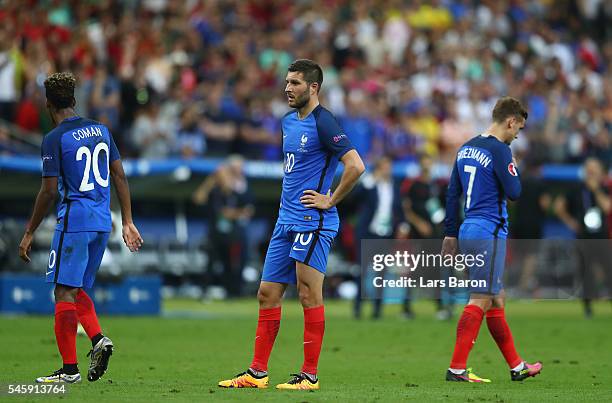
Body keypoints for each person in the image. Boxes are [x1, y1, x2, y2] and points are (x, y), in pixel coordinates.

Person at [218, 59, 365, 390]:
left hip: (313, 221)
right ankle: (257, 373)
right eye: (286, 82)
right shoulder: (287, 121)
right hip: (285, 219)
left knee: (308, 294)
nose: (287, 88)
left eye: (295, 83)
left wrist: (330, 199)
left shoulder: (324, 122)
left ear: (313, 88)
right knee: (266, 293)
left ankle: (309, 375)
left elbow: (355, 165)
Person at [18, 72, 143, 384]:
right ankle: (98, 340)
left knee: (62, 290)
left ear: (48, 103)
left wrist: (30, 231)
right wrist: (127, 221)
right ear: (74, 100)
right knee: (76, 289)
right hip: (103, 222)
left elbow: (48, 192)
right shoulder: (101, 130)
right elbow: (120, 176)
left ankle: (70, 369)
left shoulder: (54, 138)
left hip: (75, 221)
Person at [442, 96, 542, 383]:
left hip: (467, 229)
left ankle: (516, 366)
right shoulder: (500, 151)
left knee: (496, 298)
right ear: (510, 121)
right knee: (482, 297)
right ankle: (457, 368)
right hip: (490, 230)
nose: (516, 135)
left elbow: (452, 194)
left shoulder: (466, 148)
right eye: (518, 130)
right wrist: (512, 165)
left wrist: (450, 233)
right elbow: (514, 191)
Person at [553, 157, 611, 317]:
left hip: (601, 236)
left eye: (595, 169)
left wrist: (596, 190)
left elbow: (607, 207)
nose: (592, 172)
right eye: (589, 169)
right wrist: (571, 222)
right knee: (585, 272)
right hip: (583, 237)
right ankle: (587, 307)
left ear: (600, 171)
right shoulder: (576, 188)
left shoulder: (604, 188)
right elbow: (559, 206)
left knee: (608, 269)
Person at [353, 156, 404, 319]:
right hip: (368, 233)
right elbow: (355, 197)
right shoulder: (370, 184)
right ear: (378, 169)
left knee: (381, 273)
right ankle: (358, 308)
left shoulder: (394, 187)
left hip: (385, 235)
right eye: (384, 167)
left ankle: (377, 310)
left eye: (389, 167)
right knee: (362, 271)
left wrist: (403, 225)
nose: (387, 170)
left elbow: (398, 209)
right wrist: (370, 180)